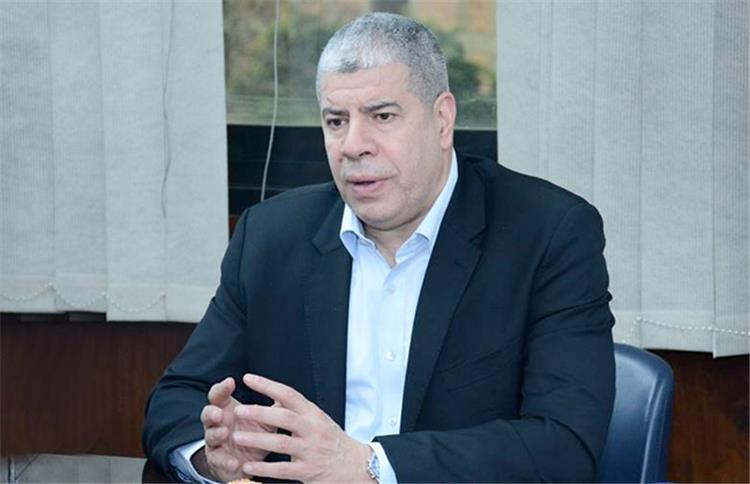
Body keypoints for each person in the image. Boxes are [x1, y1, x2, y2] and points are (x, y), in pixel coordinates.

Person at [143, 12, 615, 483]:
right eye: (336, 121)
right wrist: (212, 455)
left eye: (382, 116)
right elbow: (176, 399)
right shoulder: (270, 236)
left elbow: (563, 446)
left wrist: (369, 465)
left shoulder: (547, 233)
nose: (353, 145)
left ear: (442, 119)